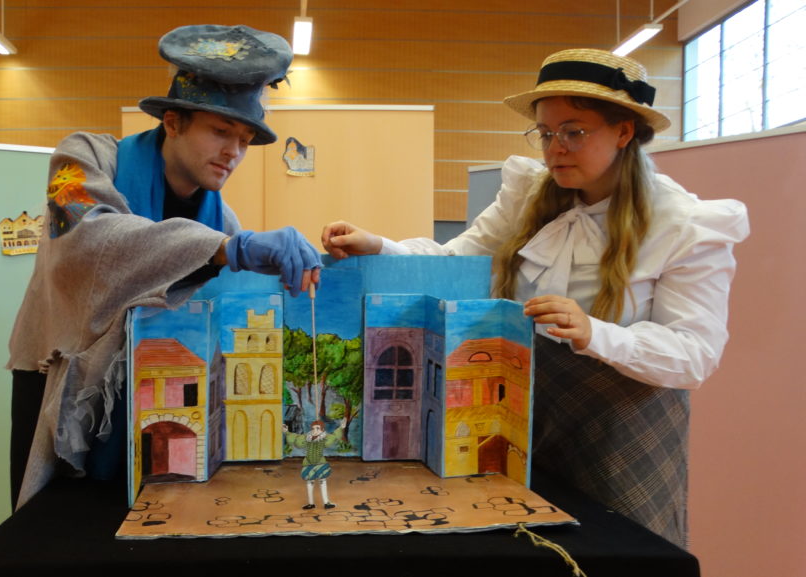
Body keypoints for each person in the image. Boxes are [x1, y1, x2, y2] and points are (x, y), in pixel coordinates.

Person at [320, 48, 749, 547]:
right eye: (546, 133)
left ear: (624, 132)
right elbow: (460, 260)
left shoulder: (685, 225)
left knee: (614, 554)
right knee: (520, 545)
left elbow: (695, 353)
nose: (555, 149)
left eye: (574, 132)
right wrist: (379, 247)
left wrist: (596, 333)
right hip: (518, 412)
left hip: (620, 428)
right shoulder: (528, 195)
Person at [7, 24, 322, 510]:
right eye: (220, 131)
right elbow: (87, 241)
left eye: (244, 140)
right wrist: (224, 249)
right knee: (58, 528)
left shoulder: (223, 224)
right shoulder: (83, 159)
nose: (233, 153)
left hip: (165, 398)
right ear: (172, 121)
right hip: (62, 384)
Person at [283, 421, 345, 509]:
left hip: (320, 463)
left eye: (317, 428)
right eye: (313, 428)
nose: (314, 430)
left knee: (322, 481)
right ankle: (311, 503)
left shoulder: (324, 438)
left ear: (322, 429)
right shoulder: (306, 438)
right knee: (309, 482)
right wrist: (286, 432)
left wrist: (341, 427)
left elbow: (334, 436)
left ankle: (326, 503)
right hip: (309, 463)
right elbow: (295, 438)